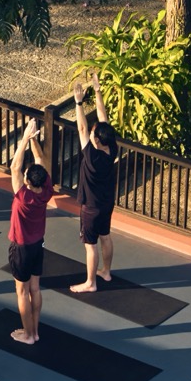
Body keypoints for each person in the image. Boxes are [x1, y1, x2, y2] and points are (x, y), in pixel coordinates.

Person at [71, 71, 117, 293]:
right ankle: (106, 272)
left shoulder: (91, 155)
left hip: (91, 207)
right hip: (107, 203)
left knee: (91, 245)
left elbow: (81, 128)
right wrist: (97, 91)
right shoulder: (111, 148)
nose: (91, 133)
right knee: (105, 236)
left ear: (97, 140)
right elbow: (103, 118)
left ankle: (91, 282)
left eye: (93, 134)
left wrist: (79, 102)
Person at [8, 119, 52, 343]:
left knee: (22, 292)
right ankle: (34, 331)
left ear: (27, 180)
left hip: (21, 248)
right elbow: (41, 162)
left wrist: (25, 137)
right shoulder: (45, 191)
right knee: (35, 288)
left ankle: (28, 334)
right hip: (37, 245)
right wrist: (34, 139)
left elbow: (15, 167)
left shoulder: (23, 196)